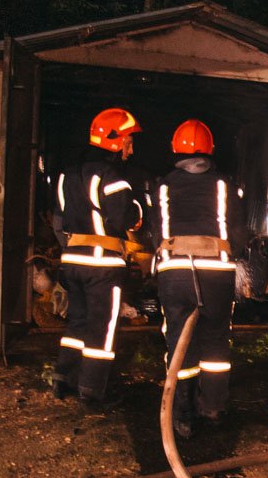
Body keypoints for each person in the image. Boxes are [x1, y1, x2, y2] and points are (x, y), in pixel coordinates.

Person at [153, 118, 246, 438]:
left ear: (176, 150)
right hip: (216, 271)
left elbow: (156, 231)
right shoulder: (225, 185)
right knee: (216, 338)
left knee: (179, 340)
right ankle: (214, 409)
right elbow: (239, 231)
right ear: (210, 150)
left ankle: (182, 416)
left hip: (174, 270)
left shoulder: (164, 185)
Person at [52, 107, 142, 408]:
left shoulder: (67, 174)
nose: (132, 148)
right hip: (102, 264)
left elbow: (60, 218)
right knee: (102, 328)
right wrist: (139, 212)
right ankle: (91, 391)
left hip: (73, 261)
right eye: (129, 141)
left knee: (77, 323)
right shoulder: (111, 176)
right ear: (115, 142)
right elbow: (123, 219)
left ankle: (62, 378)